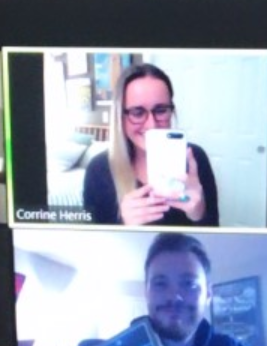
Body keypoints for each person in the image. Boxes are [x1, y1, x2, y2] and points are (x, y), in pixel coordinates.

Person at [137, 232, 267, 346]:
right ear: (146, 292)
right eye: (160, 283)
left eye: (188, 284)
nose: (174, 296)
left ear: (208, 294)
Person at [82, 63, 220, 226]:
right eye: (137, 113)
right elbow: (94, 243)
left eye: (161, 110)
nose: (151, 125)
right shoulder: (98, 169)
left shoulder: (195, 158)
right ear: (120, 116)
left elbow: (214, 231)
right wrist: (123, 225)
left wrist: (199, 214)